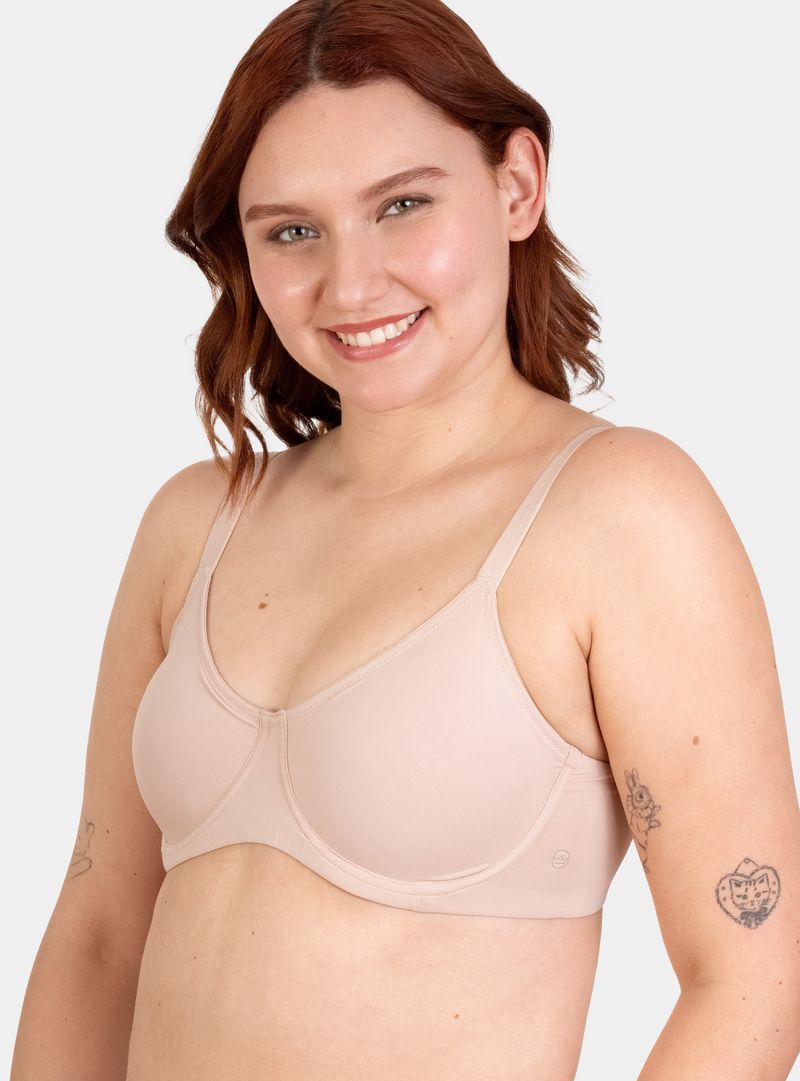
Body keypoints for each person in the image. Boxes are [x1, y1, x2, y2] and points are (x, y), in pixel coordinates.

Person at [11, 1, 800, 1078]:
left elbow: (753, 975)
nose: (351, 285)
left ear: (517, 184)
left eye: (401, 205)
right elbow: (98, 933)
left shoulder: (618, 515)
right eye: (292, 230)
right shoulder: (195, 521)